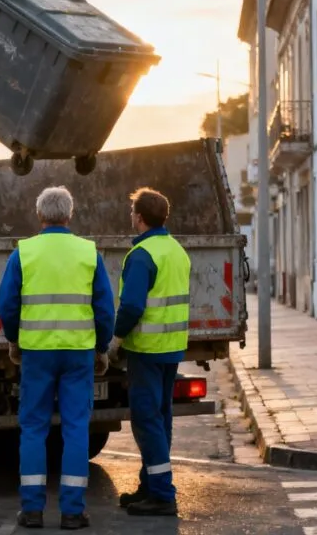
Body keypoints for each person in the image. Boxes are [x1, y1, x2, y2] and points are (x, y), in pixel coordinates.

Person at [0, 186, 115, 530]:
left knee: (33, 427)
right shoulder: (88, 252)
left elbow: (6, 305)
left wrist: (15, 340)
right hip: (78, 353)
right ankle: (73, 512)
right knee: (76, 428)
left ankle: (32, 510)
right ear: (70, 214)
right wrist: (101, 347)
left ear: (40, 216)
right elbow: (104, 309)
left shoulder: (24, 253)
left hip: (37, 353)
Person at [111, 187, 191, 517]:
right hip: (171, 349)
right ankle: (150, 485)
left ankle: (161, 493)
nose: (131, 217)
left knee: (147, 421)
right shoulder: (176, 251)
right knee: (161, 419)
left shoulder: (142, 256)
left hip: (146, 350)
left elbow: (131, 305)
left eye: (133, 212)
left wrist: (116, 338)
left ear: (140, 218)